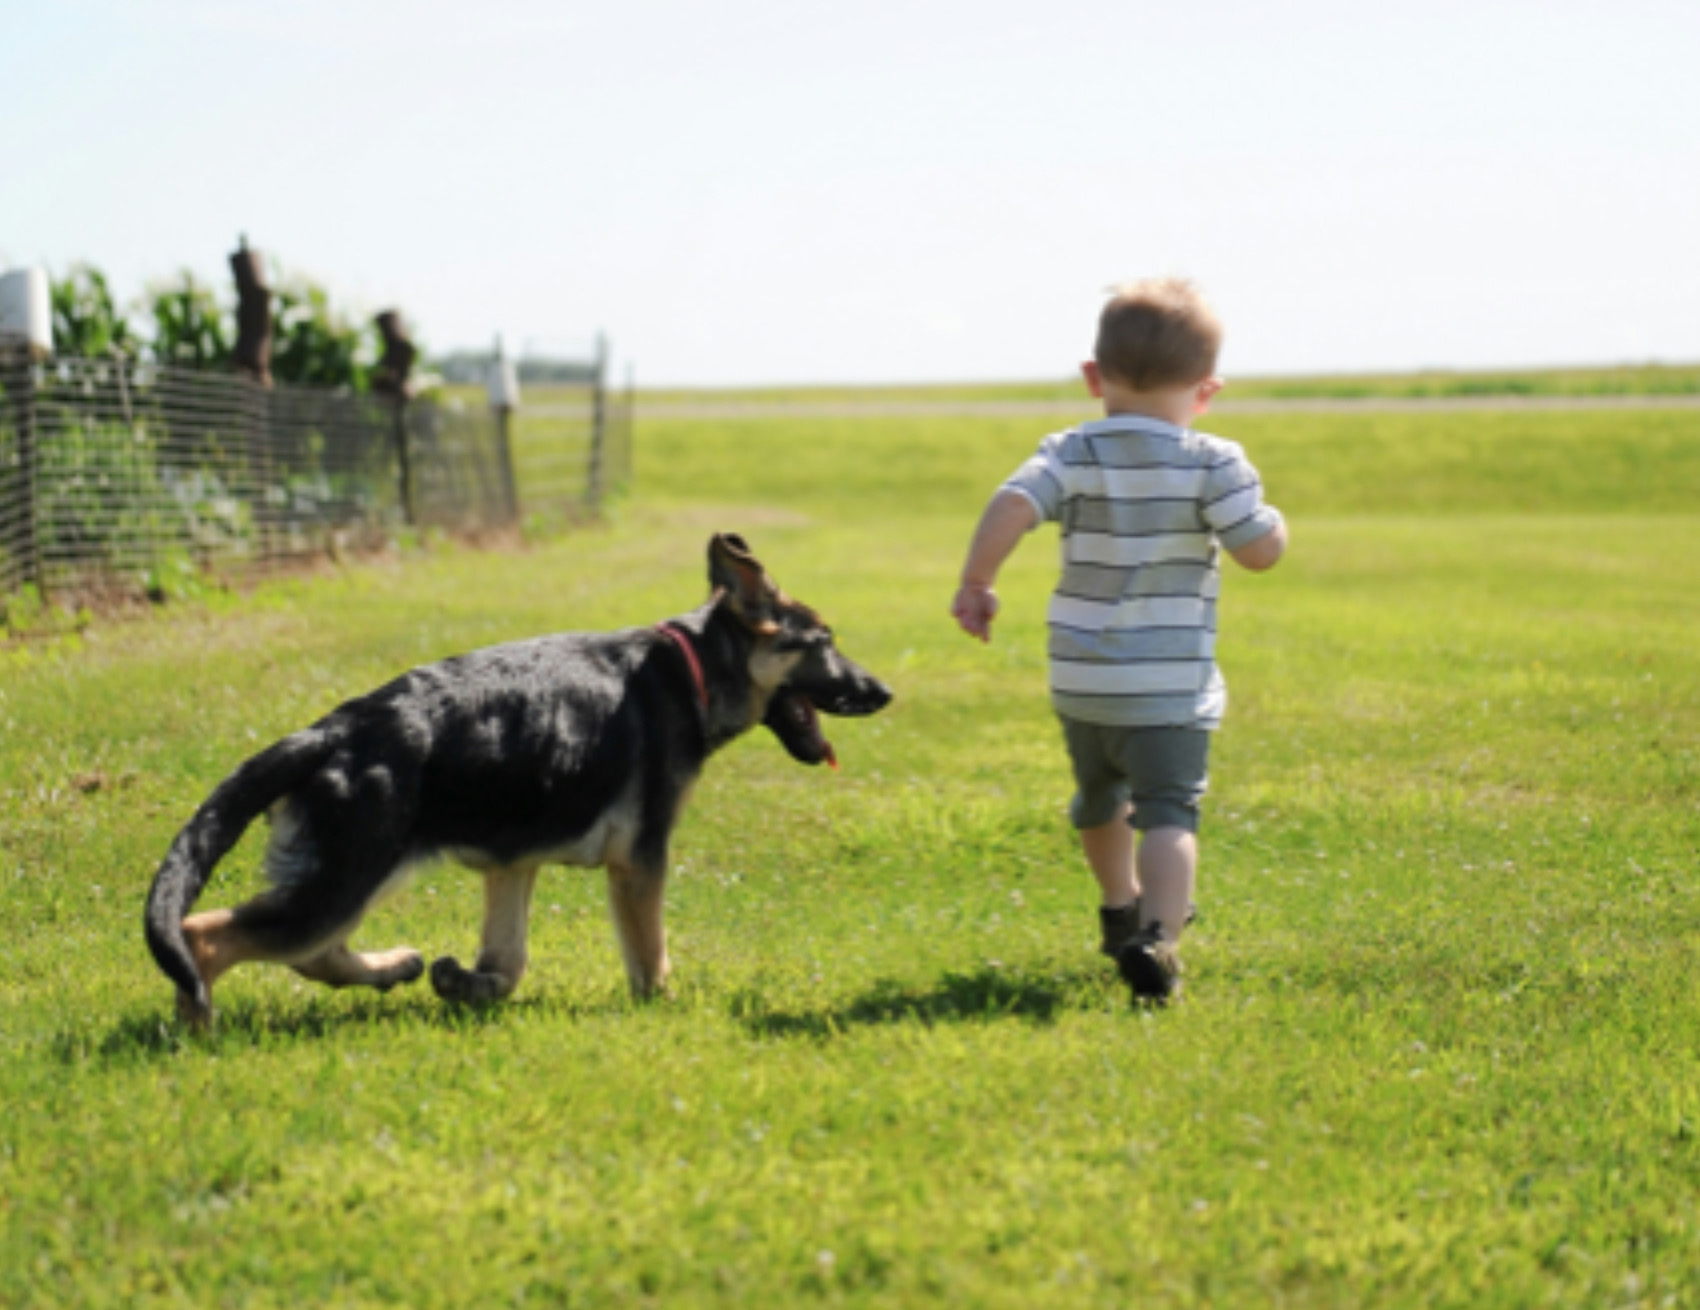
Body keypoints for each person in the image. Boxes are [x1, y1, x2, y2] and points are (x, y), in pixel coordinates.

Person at [951, 278, 1286, 1003]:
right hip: (1168, 686)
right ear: (1207, 390)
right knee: (1168, 811)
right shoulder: (1213, 461)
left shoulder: (1069, 451)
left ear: (1094, 377)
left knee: (1099, 798)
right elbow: (1258, 552)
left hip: (1083, 679)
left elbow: (1014, 502)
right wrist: (1273, 523)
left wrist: (978, 580)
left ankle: (1117, 906)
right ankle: (1160, 940)